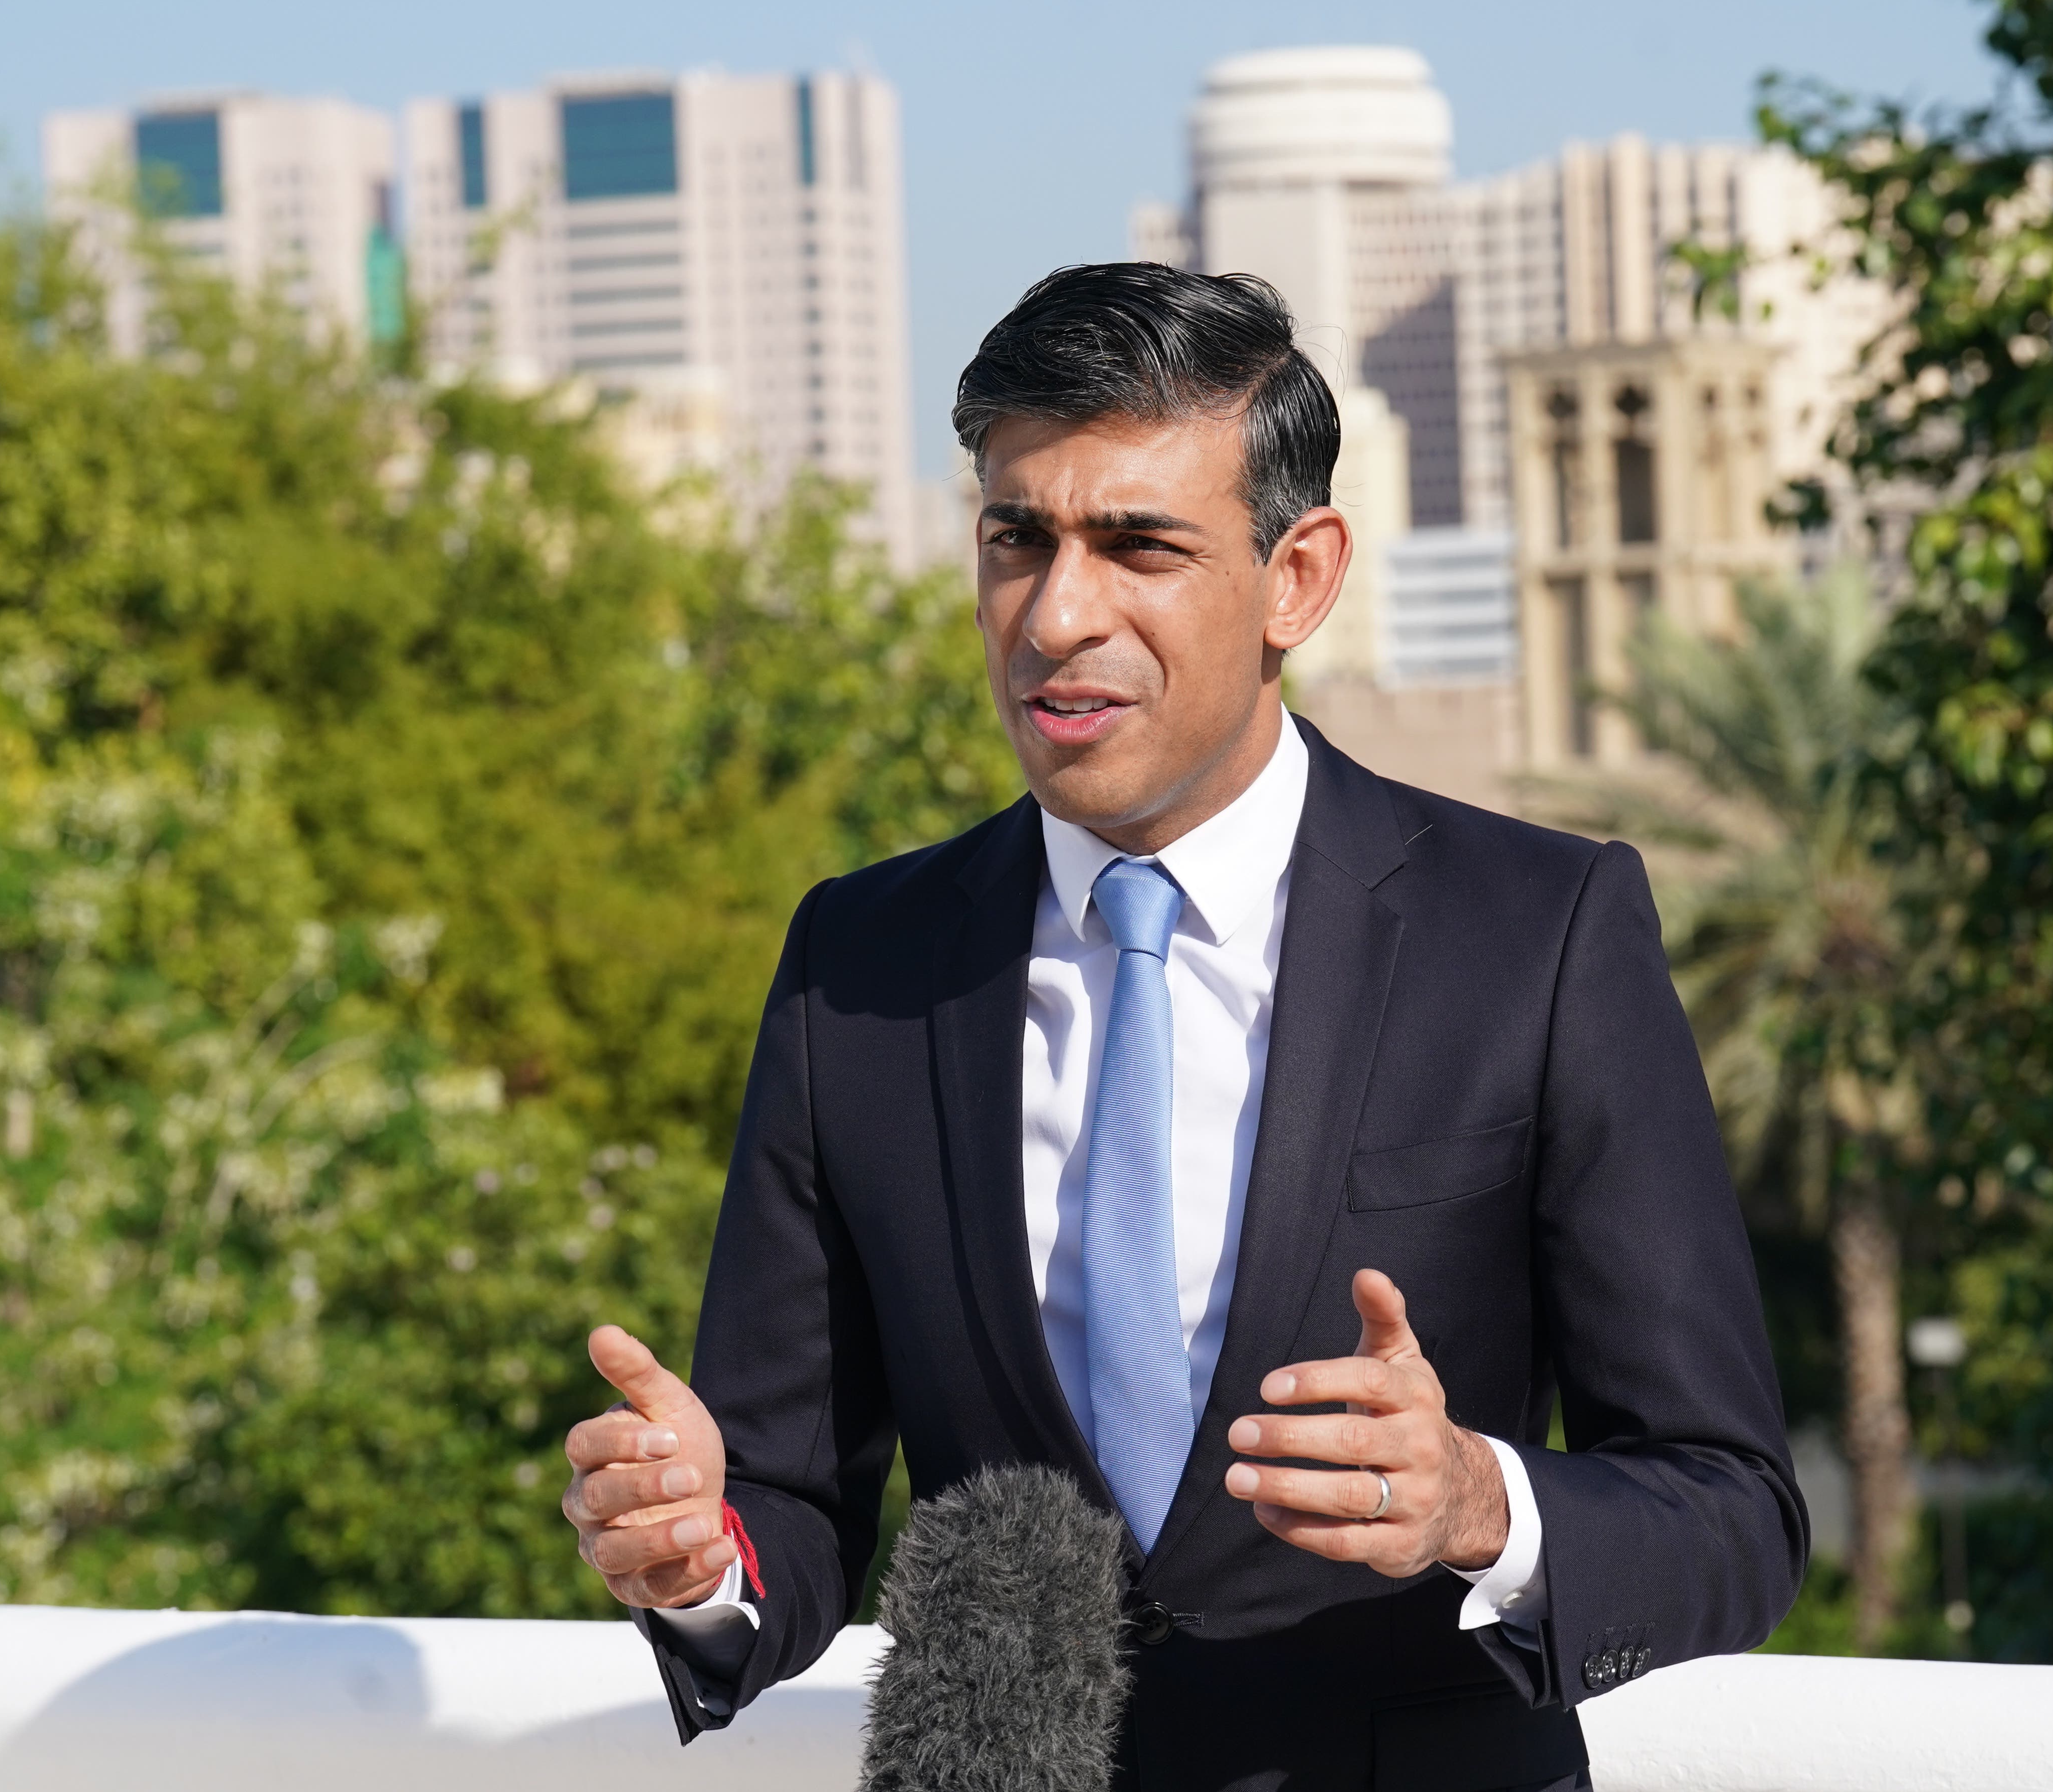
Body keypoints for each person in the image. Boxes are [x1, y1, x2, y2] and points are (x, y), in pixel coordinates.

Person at [559, 264, 1803, 1792]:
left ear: (1299, 575)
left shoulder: (1537, 936)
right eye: (1017, 539)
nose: (1057, 613)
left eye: (1138, 545)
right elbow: (789, 1496)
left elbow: (1733, 1510)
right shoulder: (860, 962)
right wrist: (699, 1556)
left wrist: (1481, 1502)